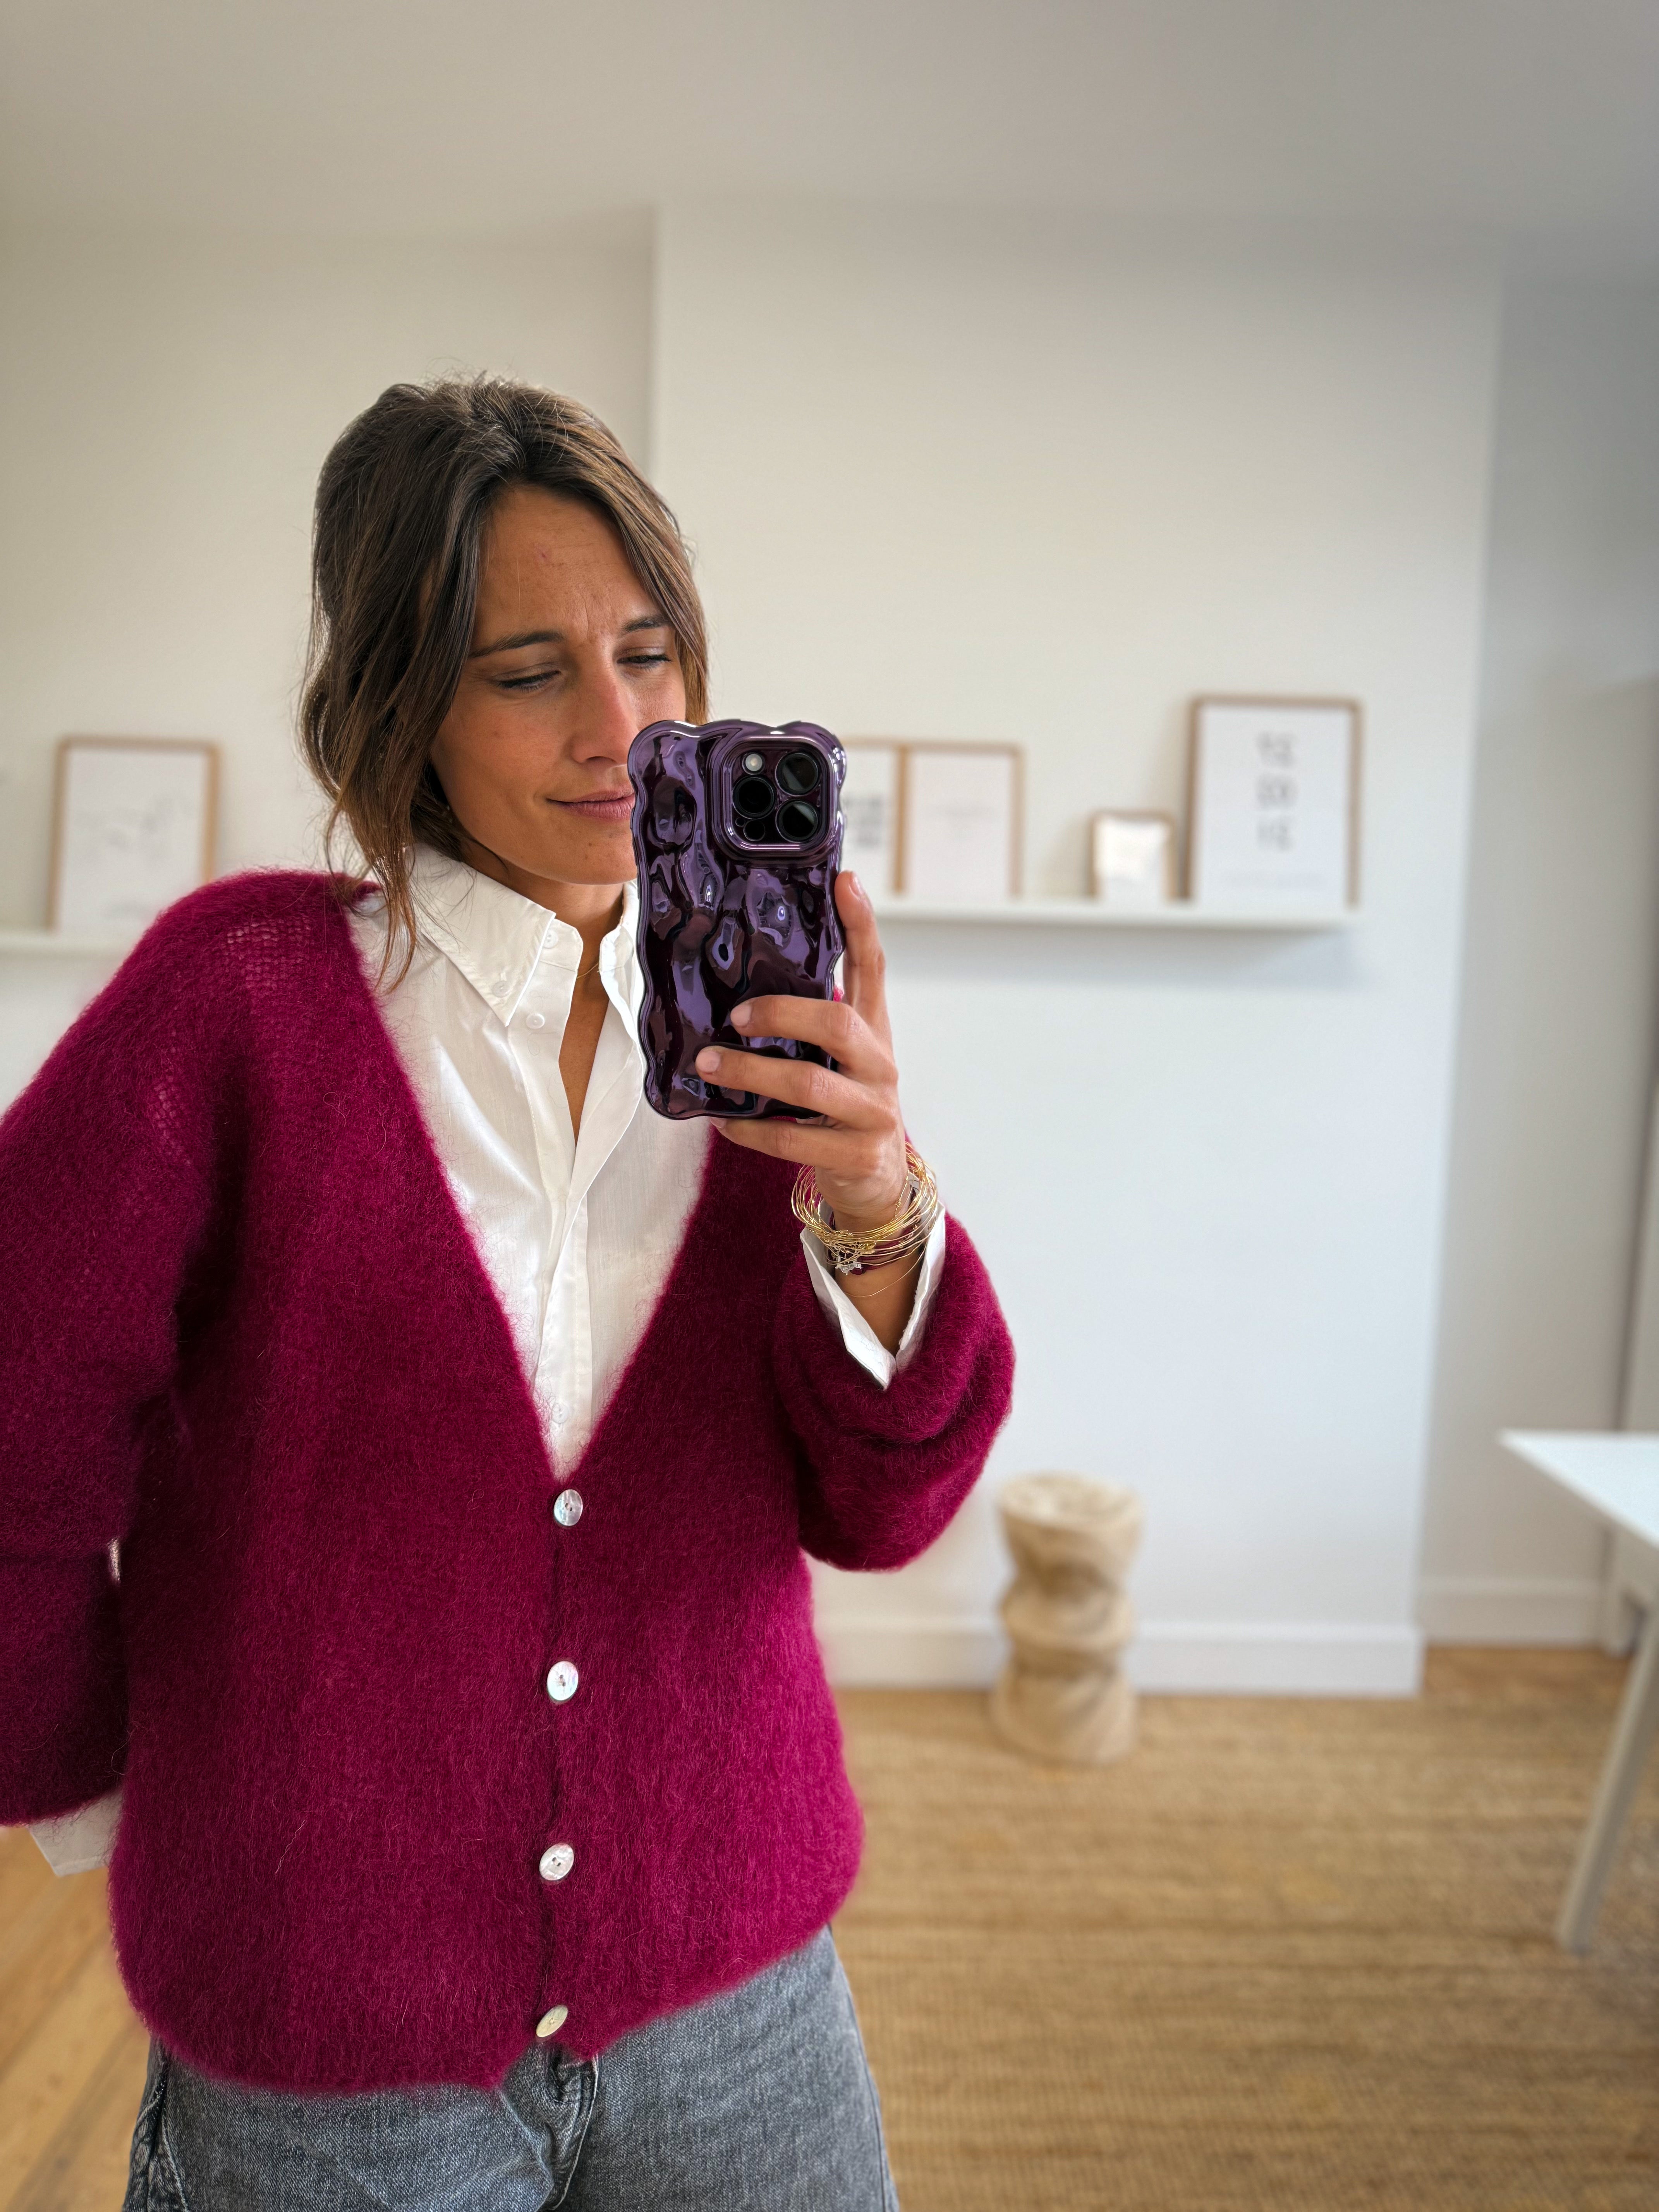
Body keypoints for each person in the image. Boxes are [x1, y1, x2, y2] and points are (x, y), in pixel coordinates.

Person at [0, 376, 1013, 2211]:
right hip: (327, 2038)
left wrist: (870, 1192)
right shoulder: (235, 1008)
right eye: (528, 671)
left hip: (737, 1995)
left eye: (650, 653)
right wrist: (90, 1792)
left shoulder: (770, 1026)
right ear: (404, 707)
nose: (621, 729)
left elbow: (884, 1509)